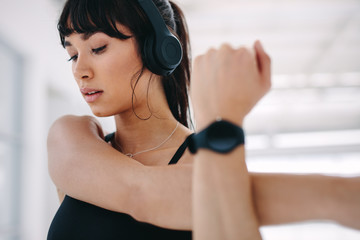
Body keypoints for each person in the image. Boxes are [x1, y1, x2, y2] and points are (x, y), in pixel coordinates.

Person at [47, 0, 360, 239]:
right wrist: (337, 195)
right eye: (72, 54)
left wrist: (218, 118)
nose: (80, 69)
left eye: (98, 47)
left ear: (159, 49)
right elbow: (140, 193)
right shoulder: (71, 139)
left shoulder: (210, 159)